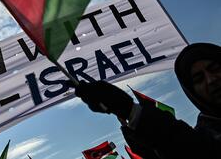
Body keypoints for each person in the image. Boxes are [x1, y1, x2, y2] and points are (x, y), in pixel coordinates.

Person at [69, 43, 221, 159]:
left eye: (214, 68)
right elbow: (188, 148)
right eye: (199, 79)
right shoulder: (207, 135)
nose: (211, 80)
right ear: (191, 91)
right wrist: (128, 110)